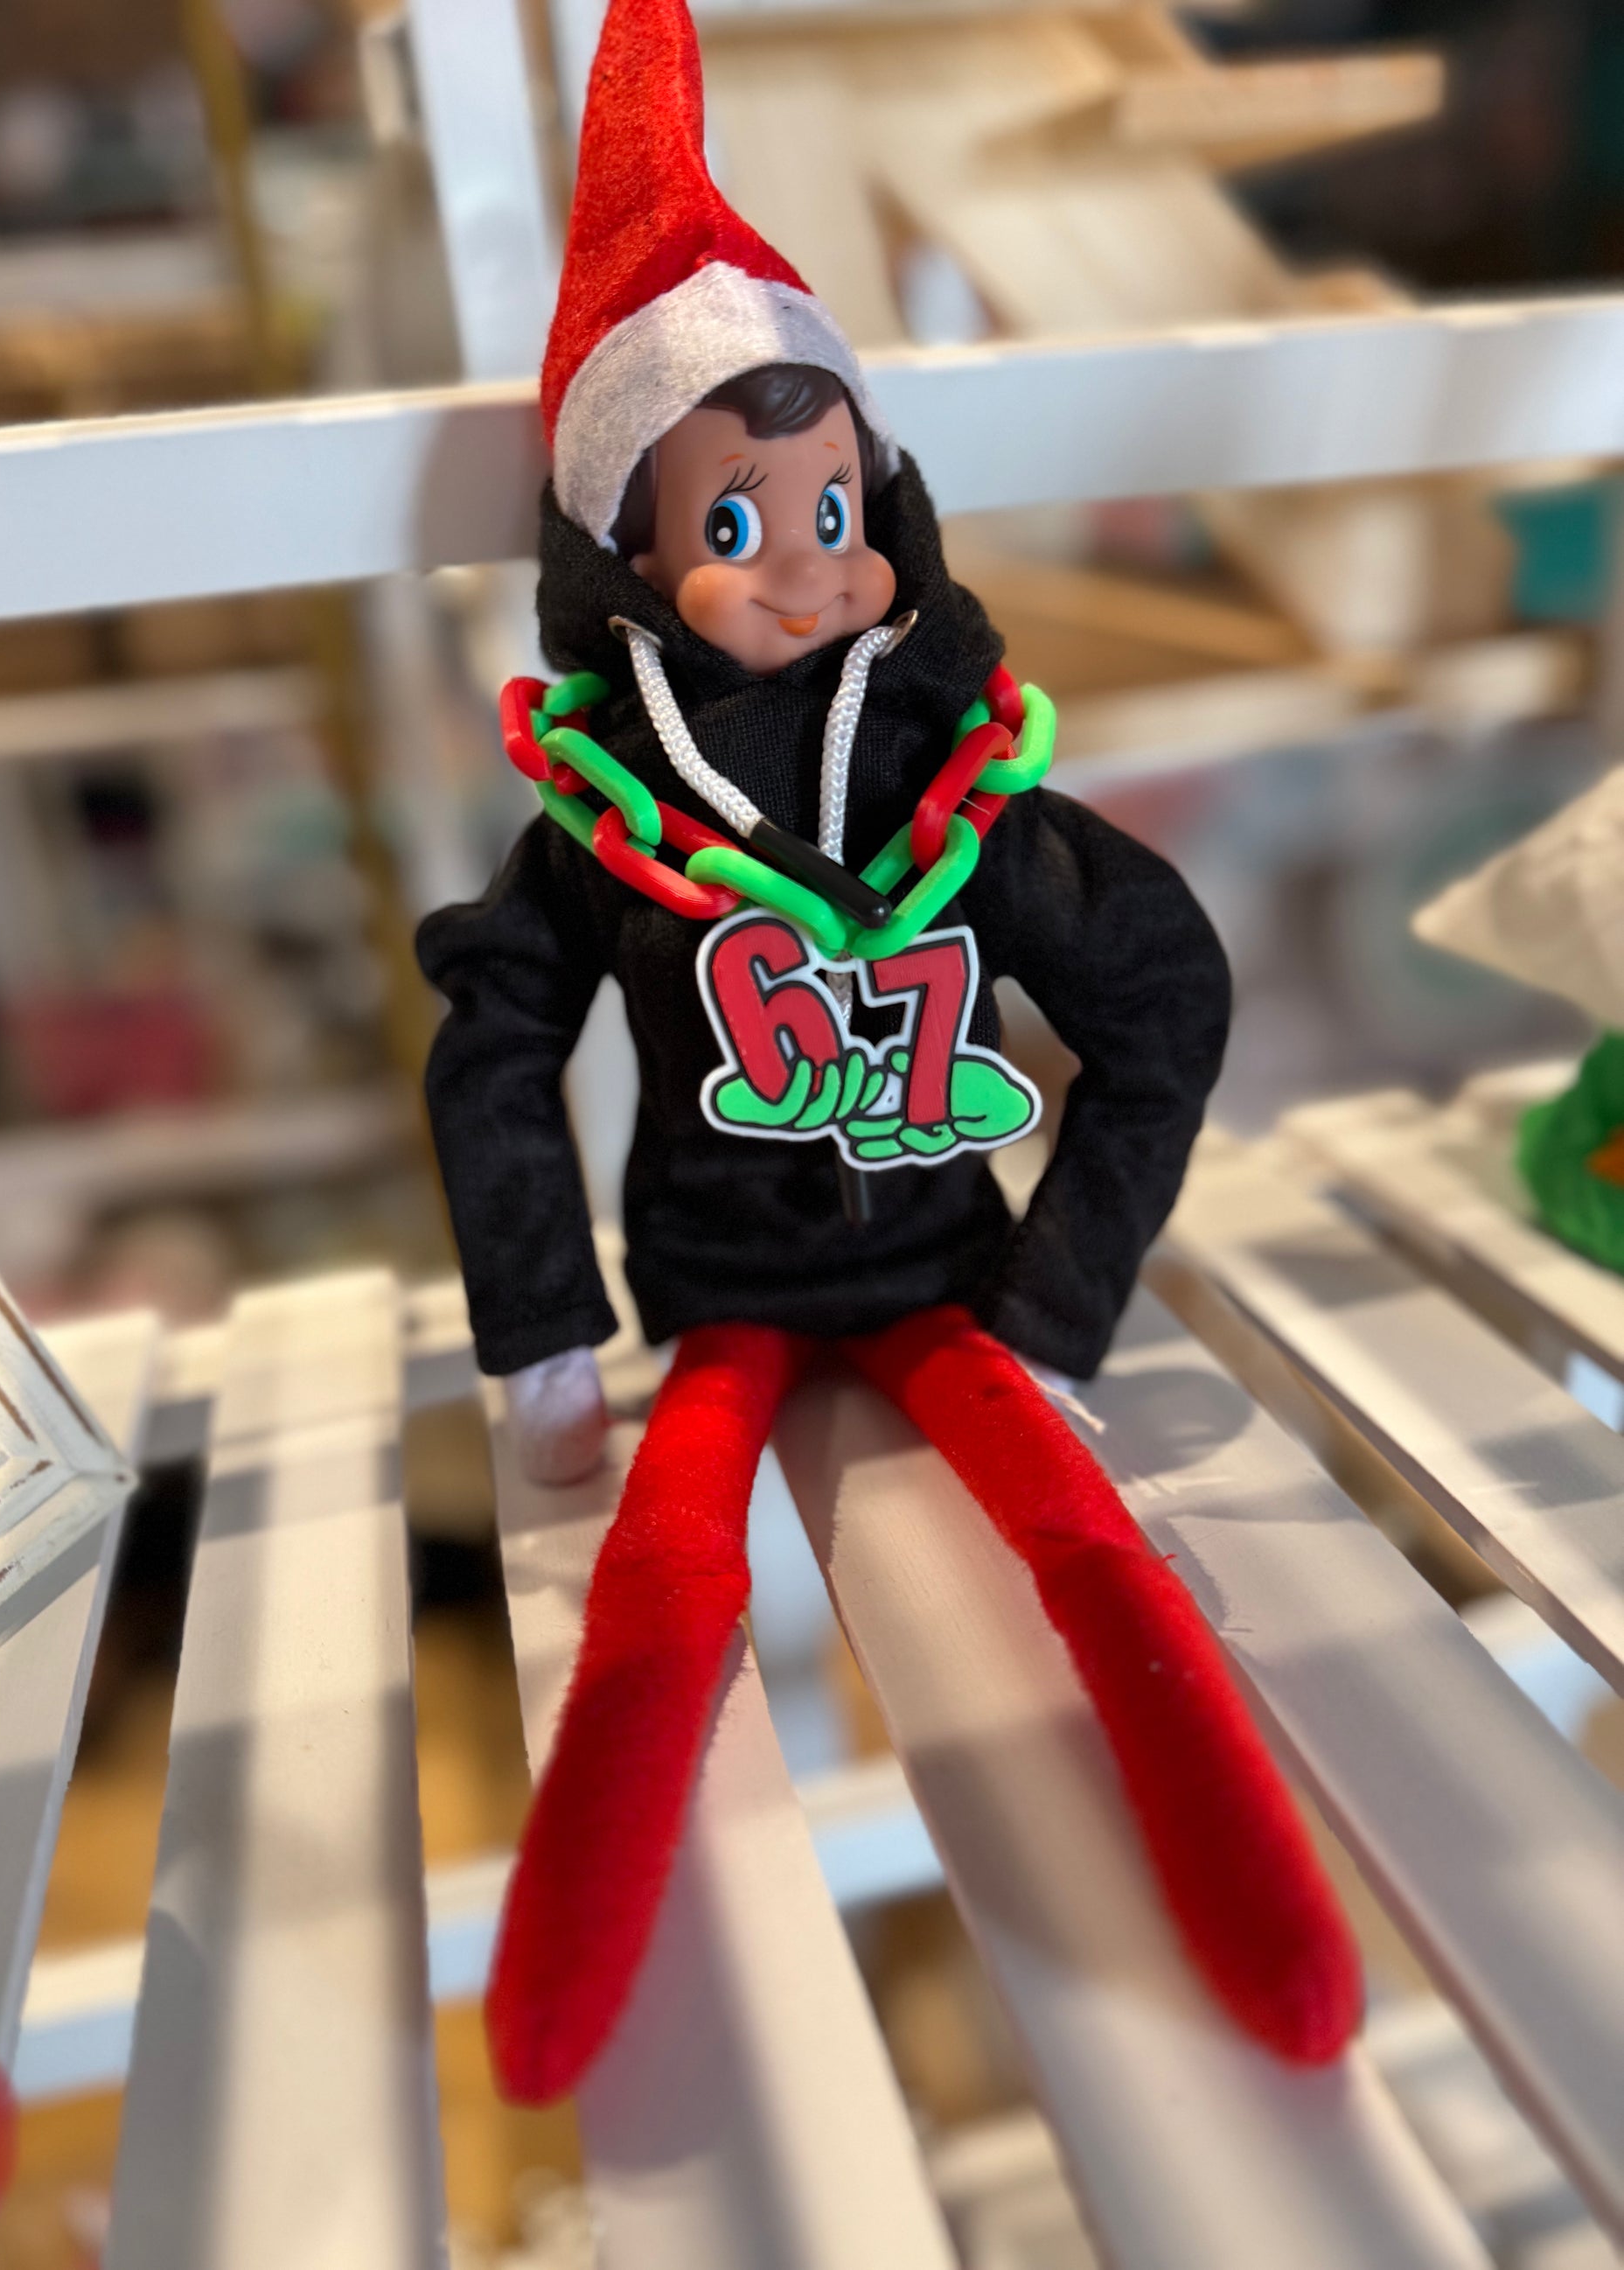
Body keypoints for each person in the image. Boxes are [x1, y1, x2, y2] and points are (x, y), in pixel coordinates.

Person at [417, 0, 1361, 2106]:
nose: (806, 565)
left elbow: (1160, 990)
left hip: (952, 1272)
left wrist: (1062, 1287)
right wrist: (540, 1321)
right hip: (717, 1291)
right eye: (733, 526)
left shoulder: (959, 780)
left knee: (1092, 1546)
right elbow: (495, 1034)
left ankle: (1275, 1926)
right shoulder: (607, 822)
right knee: (663, 1576)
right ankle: (559, 2004)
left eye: (833, 503)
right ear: (624, 558)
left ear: (892, 505)